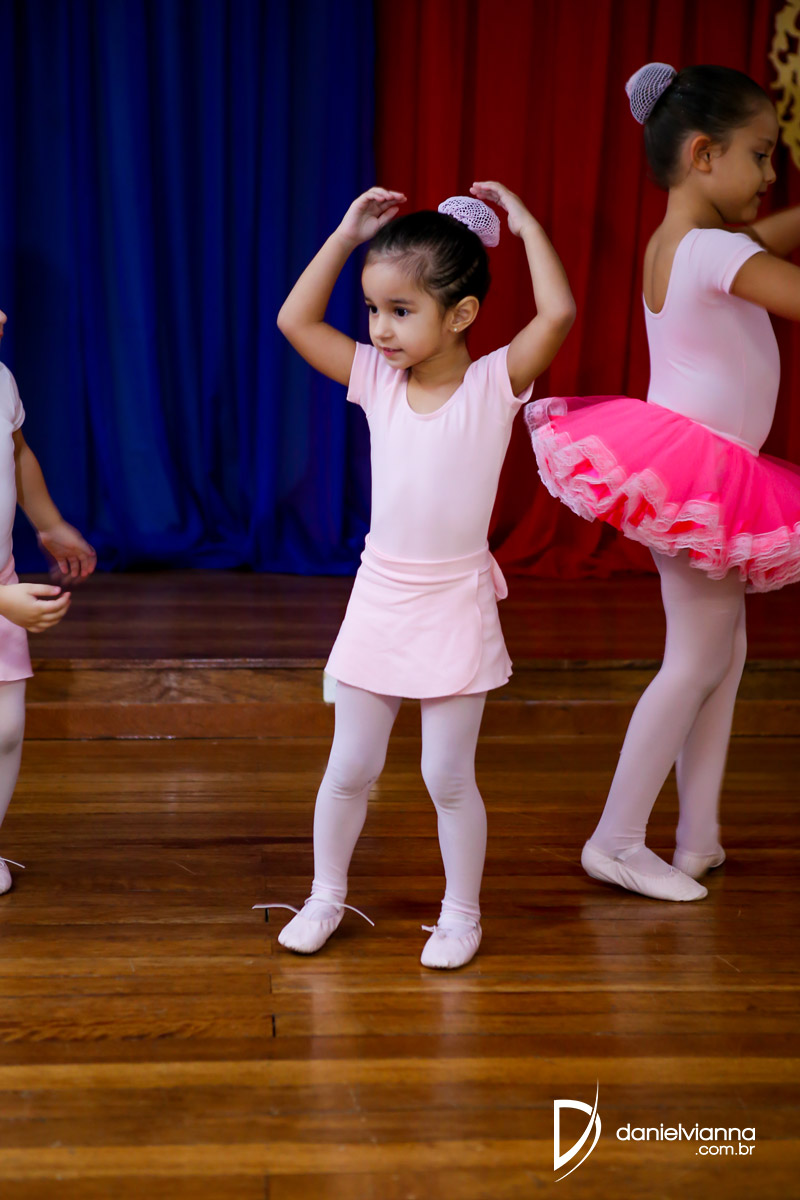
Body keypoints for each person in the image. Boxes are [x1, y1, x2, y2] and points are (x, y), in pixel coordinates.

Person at [261, 183, 574, 967]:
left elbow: (558, 314)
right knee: (350, 766)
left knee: (446, 774)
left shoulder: (494, 383)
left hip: (455, 603)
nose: (379, 328)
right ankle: (325, 895)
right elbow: (295, 321)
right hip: (378, 599)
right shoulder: (377, 380)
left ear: (461, 314)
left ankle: (461, 915)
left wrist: (528, 226)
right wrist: (344, 236)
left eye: (400, 311)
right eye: (372, 309)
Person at [527, 62, 800, 902]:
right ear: (704, 154)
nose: (770, 174)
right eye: (761, 154)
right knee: (695, 661)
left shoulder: (678, 241)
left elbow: (762, 241)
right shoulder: (719, 250)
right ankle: (615, 839)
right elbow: (773, 269)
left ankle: (697, 837)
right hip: (703, 476)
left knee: (723, 655)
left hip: (692, 469)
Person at [0, 307, 96, 894]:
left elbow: (16, 452)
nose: (3, 314)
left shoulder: (1, 378)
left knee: (6, 729)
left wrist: (49, 523)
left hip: (4, 583)